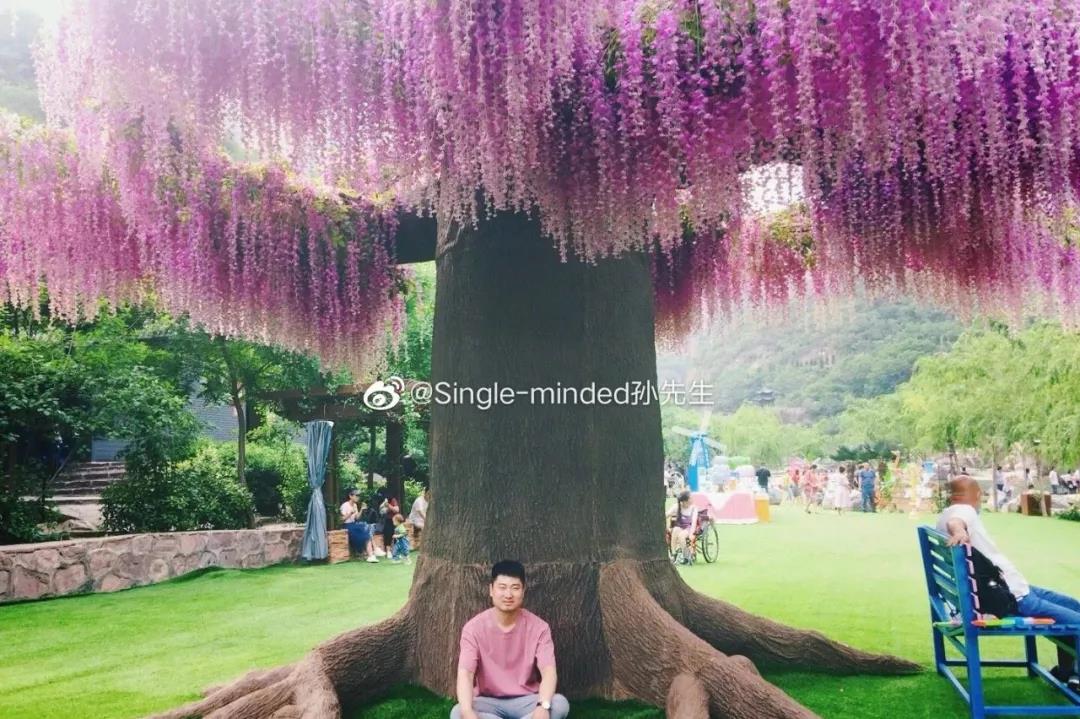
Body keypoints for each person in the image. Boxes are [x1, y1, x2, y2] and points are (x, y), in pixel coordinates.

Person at [938, 476, 1079, 690]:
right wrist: (959, 530)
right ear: (977, 495)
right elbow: (957, 521)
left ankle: (1068, 672)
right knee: (1076, 621)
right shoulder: (964, 510)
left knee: (1072, 606)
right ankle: (1075, 676)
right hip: (1016, 598)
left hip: (1015, 588)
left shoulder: (944, 515)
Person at [451, 561, 570, 719]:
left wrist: (543, 706)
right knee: (458, 712)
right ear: (491, 590)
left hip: (527, 699)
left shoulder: (540, 628)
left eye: (515, 588)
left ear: (523, 591)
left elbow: (548, 671)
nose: (508, 595)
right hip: (488, 700)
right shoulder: (473, 628)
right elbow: (466, 673)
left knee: (559, 703)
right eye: (502, 587)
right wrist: (467, 712)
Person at [340, 488, 379, 563]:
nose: (358, 497)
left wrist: (361, 509)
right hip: (347, 525)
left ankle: (371, 554)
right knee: (365, 531)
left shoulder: (355, 505)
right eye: (356, 495)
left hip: (353, 524)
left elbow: (357, 518)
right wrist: (350, 513)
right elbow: (341, 519)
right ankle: (373, 552)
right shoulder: (345, 505)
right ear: (350, 496)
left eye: (359, 496)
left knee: (366, 528)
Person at [666, 490, 698, 563]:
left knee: (681, 536)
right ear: (685, 501)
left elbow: (693, 523)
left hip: (689, 527)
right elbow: (667, 514)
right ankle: (674, 554)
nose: (692, 499)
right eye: (690, 498)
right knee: (675, 531)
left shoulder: (693, 508)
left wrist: (691, 534)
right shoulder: (677, 506)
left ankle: (686, 556)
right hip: (680, 526)